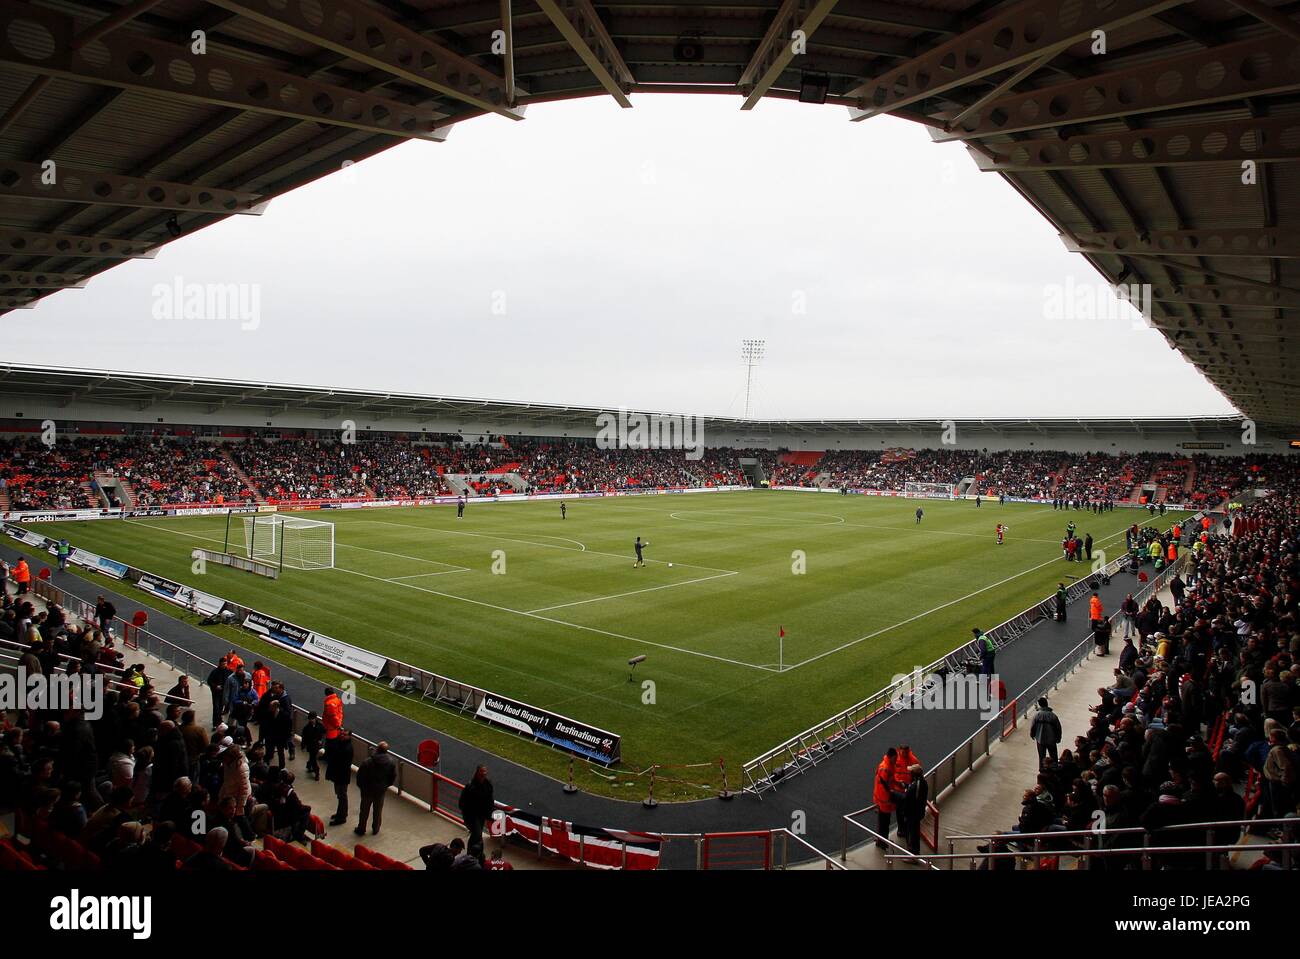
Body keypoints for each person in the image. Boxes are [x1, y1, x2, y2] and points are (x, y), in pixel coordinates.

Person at [355, 740, 398, 836]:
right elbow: (393, 777)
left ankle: (361, 828)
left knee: (364, 811)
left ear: (377, 749)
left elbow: (360, 776)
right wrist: (385, 786)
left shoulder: (367, 762)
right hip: (380, 791)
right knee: (378, 810)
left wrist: (362, 787)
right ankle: (376, 828)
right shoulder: (391, 762)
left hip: (367, 790)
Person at [458, 764, 495, 860]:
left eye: (485, 771)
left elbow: (490, 800)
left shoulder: (488, 784)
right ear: (477, 772)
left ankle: (477, 855)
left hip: (481, 815)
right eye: (481, 771)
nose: (483, 773)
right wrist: (466, 812)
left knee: (477, 835)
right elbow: (462, 802)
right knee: (477, 834)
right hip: (471, 816)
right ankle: (472, 856)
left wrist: (490, 814)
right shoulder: (470, 786)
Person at [897, 764, 929, 858]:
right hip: (917, 813)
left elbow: (907, 797)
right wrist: (906, 785)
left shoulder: (916, 785)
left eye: (910, 772)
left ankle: (913, 854)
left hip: (913, 814)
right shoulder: (922, 782)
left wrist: (896, 795)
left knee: (912, 833)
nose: (909, 773)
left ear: (914, 774)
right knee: (914, 832)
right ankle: (913, 852)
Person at [324, 727, 353, 826]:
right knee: (340, 796)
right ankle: (340, 814)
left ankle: (342, 817)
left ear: (349, 736)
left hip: (341, 776)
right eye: (342, 733)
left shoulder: (346, 748)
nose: (342, 735)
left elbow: (339, 763)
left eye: (344, 734)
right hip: (339, 776)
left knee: (342, 796)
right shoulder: (342, 744)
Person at [872, 748, 898, 848]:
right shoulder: (885, 768)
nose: (896, 760)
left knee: (884, 821)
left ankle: (882, 839)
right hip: (884, 800)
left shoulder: (888, 766)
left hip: (885, 800)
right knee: (884, 822)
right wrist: (889, 797)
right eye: (895, 758)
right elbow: (883, 786)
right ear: (891, 757)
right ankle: (882, 842)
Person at [1029, 697, 1062, 770]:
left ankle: (1042, 771)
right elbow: (1058, 728)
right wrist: (1058, 738)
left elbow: (1033, 727)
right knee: (1053, 756)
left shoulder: (1037, 715)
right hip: (1051, 740)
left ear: (1040, 705)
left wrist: (1032, 734)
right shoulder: (1053, 716)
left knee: (1041, 757)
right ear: (1047, 704)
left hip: (1040, 740)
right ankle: (1055, 769)